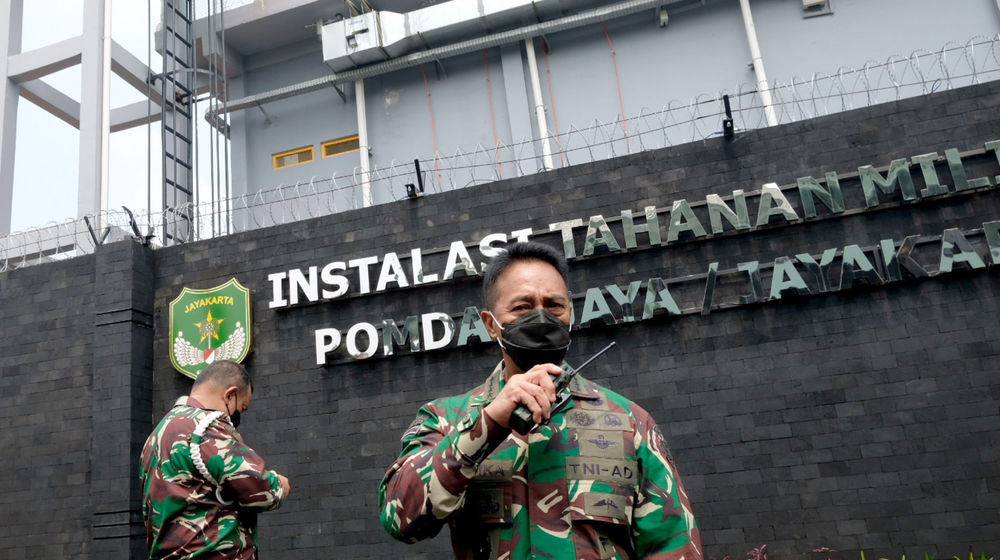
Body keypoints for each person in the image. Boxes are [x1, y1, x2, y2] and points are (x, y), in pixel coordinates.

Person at [379, 241, 701, 559]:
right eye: (522, 307)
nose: (542, 318)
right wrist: (488, 423)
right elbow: (400, 518)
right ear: (491, 324)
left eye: (554, 306)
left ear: (570, 314)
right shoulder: (446, 417)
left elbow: (673, 546)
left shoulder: (631, 423)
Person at [140, 360, 291, 559]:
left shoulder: (156, 436)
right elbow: (266, 491)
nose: (238, 415)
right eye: (241, 407)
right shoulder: (206, 429)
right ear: (230, 395)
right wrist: (281, 483)